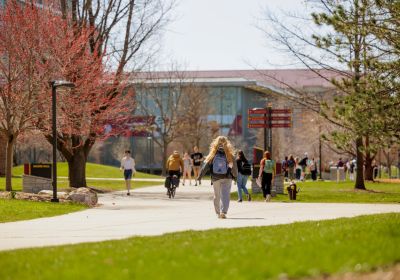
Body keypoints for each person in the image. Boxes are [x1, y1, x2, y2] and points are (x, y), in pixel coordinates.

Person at [198, 136, 237, 219]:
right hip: (227, 177)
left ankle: (218, 213)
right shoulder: (230, 155)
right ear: (227, 143)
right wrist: (235, 177)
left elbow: (205, 166)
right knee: (225, 195)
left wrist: (200, 176)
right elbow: (234, 168)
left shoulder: (212, 154)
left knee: (217, 195)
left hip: (215, 177)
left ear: (215, 143)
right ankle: (223, 212)